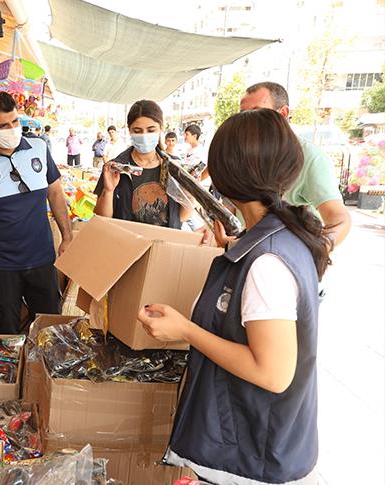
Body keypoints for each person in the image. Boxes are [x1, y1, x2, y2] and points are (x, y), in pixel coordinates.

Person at [138, 109, 327, 484]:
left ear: (225, 174)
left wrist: (186, 330)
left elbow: (272, 373)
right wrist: (236, 246)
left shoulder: (266, 262)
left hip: (253, 457)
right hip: (254, 445)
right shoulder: (275, 240)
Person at [0, 92, 72, 334]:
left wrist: (67, 238)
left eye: (15, 122)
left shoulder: (39, 148)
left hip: (42, 258)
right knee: (7, 333)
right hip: (0, 266)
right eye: (3, 125)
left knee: (50, 330)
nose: (12, 129)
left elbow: (56, 195)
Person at [239, 81, 351, 247]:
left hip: (284, 263)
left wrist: (316, 251)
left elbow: (339, 220)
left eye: (257, 113)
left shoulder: (310, 158)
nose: (248, 123)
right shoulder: (246, 154)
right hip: (249, 253)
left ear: (283, 113)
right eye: (243, 115)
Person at [94, 100, 193, 228]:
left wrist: (190, 195)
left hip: (163, 245)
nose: (144, 135)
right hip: (127, 244)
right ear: (129, 130)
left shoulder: (174, 168)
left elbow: (181, 218)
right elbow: (102, 218)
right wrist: (108, 191)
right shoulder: (115, 168)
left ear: (161, 129)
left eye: (151, 130)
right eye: (137, 131)